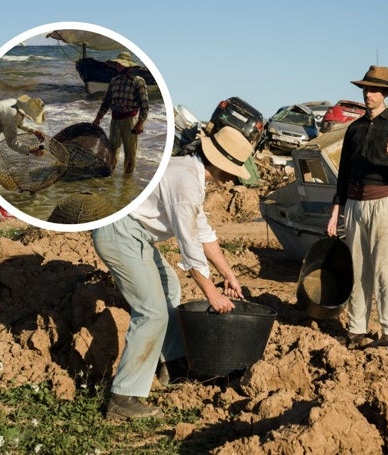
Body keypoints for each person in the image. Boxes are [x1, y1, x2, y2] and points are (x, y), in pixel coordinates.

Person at [92, 125, 253, 421]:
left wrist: (228, 274)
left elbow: (203, 232)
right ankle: (122, 398)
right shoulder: (187, 183)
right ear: (216, 162)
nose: (232, 178)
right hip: (120, 231)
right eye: (231, 170)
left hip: (133, 232)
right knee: (152, 311)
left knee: (170, 288)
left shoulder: (190, 174)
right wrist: (212, 293)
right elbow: (189, 244)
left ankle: (172, 365)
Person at [326, 66, 388, 349]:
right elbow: (342, 173)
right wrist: (336, 210)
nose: (368, 94)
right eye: (366, 89)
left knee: (384, 269)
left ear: (385, 94)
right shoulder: (354, 129)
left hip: (383, 203)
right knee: (358, 269)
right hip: (355, 204)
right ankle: (356, 329)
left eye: (374, 90)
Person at [0, 95, 46, 220]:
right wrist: (30, 150)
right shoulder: (10, 114)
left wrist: (34, 131)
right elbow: (12, 143)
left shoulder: (16, 106)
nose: (26, 117)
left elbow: (20, 122)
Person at [93, 51, 149, 175]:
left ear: (128, 66)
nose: (118, 66)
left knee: (130, 151)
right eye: (117, 64)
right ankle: (110, 175)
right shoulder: (114, 81)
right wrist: (98, 117)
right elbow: (107, 101)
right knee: (112, 149)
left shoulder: (138, 81)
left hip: (130, 120)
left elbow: (144, 104)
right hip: (115, 120)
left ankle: (127, 179)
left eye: (121, 64)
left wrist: (140, 123)